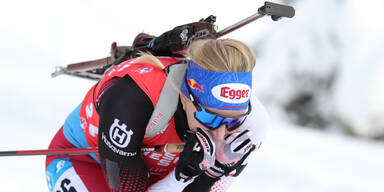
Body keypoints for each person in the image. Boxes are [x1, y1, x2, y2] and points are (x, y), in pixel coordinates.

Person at [45, 27, 269, 192]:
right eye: (209, 117)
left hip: (156, 178)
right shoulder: (132, 98)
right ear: (185, 96)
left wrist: (212, 174)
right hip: (83, 160)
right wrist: (180, 177)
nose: (221, 133)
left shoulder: (253, 121)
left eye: (232, 121)